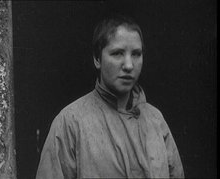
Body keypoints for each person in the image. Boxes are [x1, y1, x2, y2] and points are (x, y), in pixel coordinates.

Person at [36, 14, 184, 179]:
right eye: (117, 53)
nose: (129, 65)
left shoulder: (156, 120)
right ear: (97, 59)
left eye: (136, 54)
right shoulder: (70, 122)